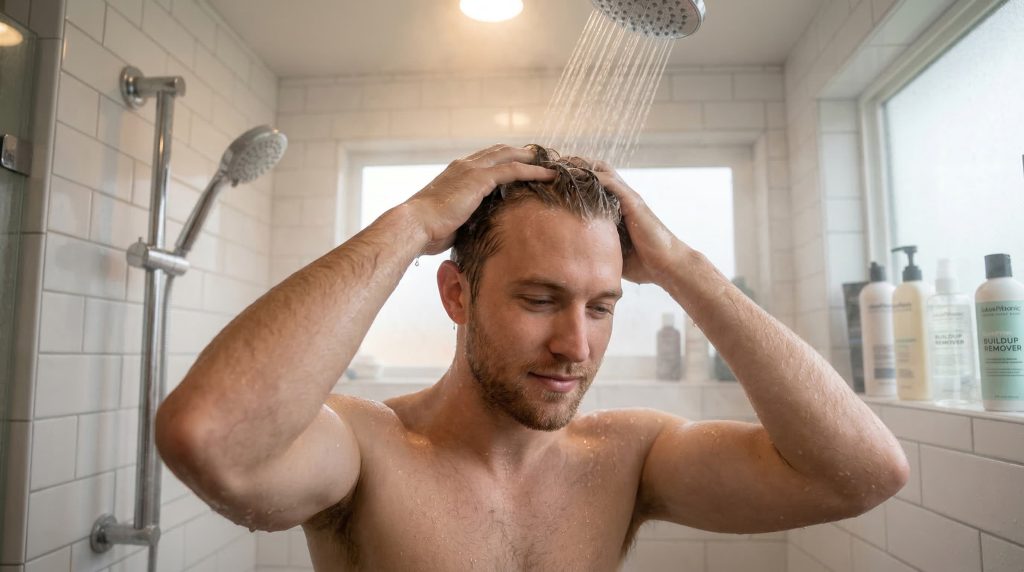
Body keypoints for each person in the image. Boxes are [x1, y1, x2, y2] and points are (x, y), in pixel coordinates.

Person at [155, 144, 909, 571]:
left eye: (602, 306)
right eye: (540, 300)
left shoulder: (627, 458)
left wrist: (682, 264)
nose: (576, 347)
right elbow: (212, 440)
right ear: (457, 295)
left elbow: (862, 474)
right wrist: (414, 222)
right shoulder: (364, 451)